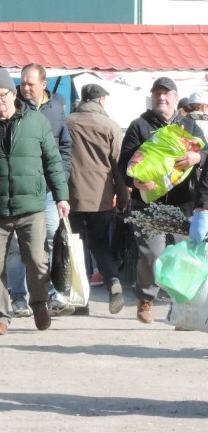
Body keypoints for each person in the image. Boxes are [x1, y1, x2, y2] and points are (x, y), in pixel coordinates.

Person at [0, 68, 70, 337]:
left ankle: (38, 304)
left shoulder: (37, 122)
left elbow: (53, 162)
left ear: (13, 94)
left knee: (37, 261)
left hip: (32, 207)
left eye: (1, 94)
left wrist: (61, 197)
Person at [117, 76, 207, 324]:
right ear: (152, 97)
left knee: (185, 257)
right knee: (152, 255)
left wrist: (195, 158)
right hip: (148, 204)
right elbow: (123, 163)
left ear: (176, 98)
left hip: (183, 203)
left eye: (167, 94)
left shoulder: (189, 126)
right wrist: (134, 181)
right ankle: (146, 298)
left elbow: (206, 151)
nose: (162, 98)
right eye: (157, 94)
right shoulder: (139, 126)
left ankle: (181, 308)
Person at [9, 63, 74, 318]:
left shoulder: (56, 108)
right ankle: (18, 297)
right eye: (22, 82)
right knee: (16, 246)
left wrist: (62, 181)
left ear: (43, 85)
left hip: (47, 191)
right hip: (20, 190)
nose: (24, 87)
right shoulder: (12, 106)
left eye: (30, 83)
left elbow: (65, 147)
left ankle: (50, 293)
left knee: (49, 240)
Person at [66, 83, 130, 315]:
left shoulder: (68, 122)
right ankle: (113, 280)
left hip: (72, 195)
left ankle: (82, 302)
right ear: (101, 100)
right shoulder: (111, 126)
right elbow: (119, 167)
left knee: (77, 248)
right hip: (101, 196)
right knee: (100, 244)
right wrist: (122, 199)